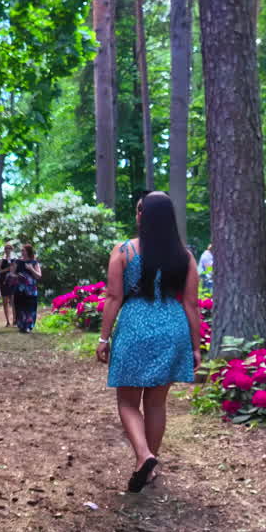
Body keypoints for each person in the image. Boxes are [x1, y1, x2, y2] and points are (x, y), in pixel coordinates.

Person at [95, 193, 201, 493]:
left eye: (139, 209)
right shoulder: (185, 256)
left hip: (135, 327)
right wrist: (195, 346)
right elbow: (192, 305)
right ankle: (150, 465)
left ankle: (144, 456)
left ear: (142, 215)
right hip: (173, 327)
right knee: (156, 402)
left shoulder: (124, 251)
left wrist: (104, 338)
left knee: (128, 401)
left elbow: (114, 297)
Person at [12, 244, 42, 333]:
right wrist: (17, 276)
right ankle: (21, 325)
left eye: (23, 250)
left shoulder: (34, 263)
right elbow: (12, 274)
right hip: (19, 288)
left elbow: (39, 276)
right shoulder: (17, 262)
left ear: (28, 251)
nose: (22, 252)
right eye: (21, 251)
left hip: (31, 289)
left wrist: (31, 269)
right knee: (20, 306)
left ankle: (29, 326)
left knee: (30, 307)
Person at [0, 243, 17, 327]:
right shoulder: (1, 260)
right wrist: (7, 269)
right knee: (5, 302)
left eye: (9, 248)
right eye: (6, 248)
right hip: (4, 282)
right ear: (4, 250)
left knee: (13, 301)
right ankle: (7, 321)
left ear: (11, 249)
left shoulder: (14, 259)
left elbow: (16, 270)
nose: (7, 250)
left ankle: (14, 319)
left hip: (12, 282)